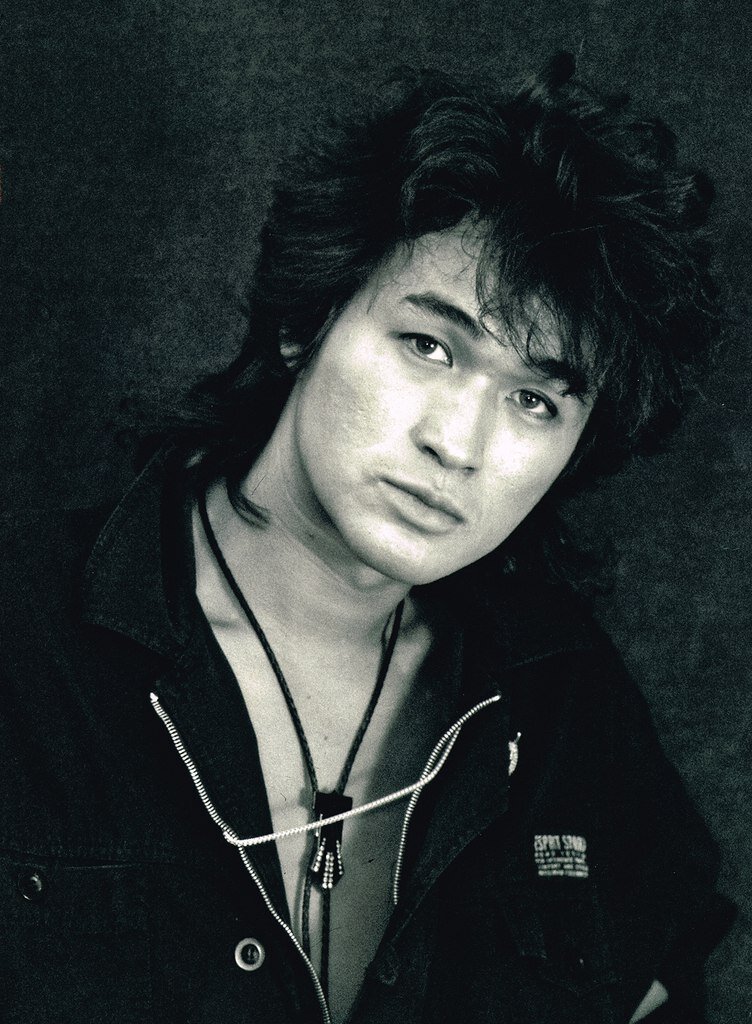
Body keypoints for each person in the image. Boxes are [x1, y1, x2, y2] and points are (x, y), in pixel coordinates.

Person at [0, 53, 734, 1023]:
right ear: (307, 320)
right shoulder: (28, 638)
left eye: (534, 400)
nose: (456, 443)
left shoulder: (564, 701)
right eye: (428, 345)